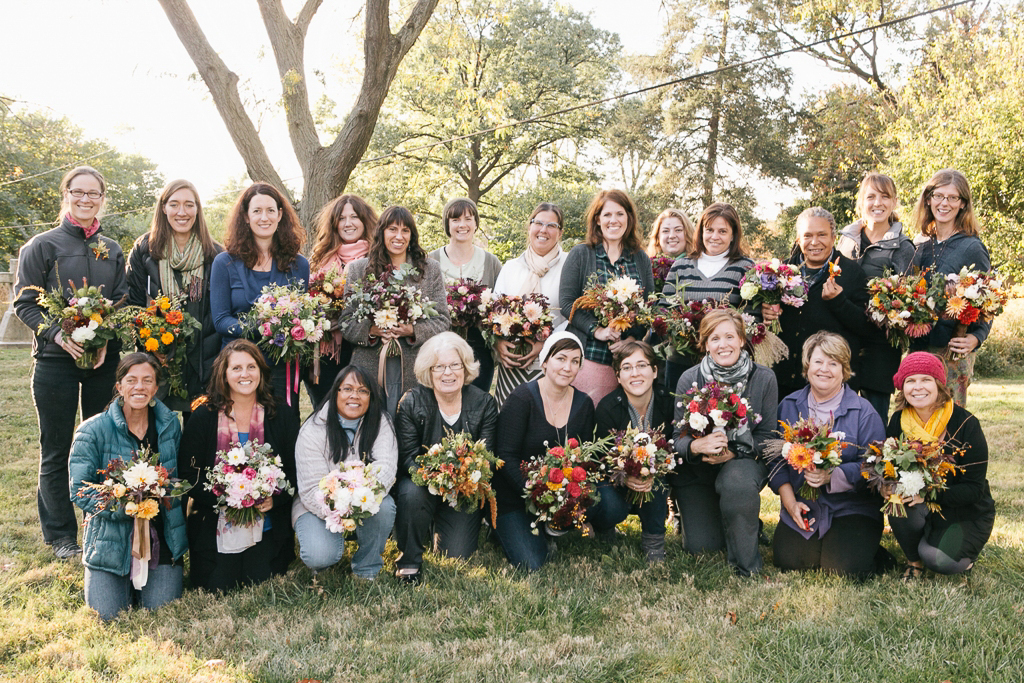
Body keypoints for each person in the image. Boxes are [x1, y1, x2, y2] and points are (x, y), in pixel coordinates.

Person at [13, 166, 127, 559]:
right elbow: (25, 303)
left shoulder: (111, 249)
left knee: (102, 443)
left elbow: (122, 299)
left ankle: (100, 519)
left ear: (102, 198)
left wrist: (103, 338)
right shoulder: (41, 246)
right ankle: (61, 536)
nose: (86, 199)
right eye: (78, 192)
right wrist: (58, 335)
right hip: (55, 362)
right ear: (66, 195)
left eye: (94, 194)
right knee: (57, 448)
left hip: (101, 362)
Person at [69, 353, 186, 620]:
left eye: (148, 380)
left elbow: (177, 479)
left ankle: (156, 576)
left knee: (161, 610)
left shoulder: (170, 426)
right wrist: (126, 504)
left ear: (156, 388)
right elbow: (80, 489)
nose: (139, 387)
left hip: (160, 535)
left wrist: (161, 492)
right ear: (119, 386)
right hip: (111, 540)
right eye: (131, 380)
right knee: (107, 615)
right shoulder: (92, 430)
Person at [179, 340, 299, 591]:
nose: (245, 374)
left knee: (260, 579)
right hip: (216, 523)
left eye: (251, 367)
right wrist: (226, 498)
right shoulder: (204, 416)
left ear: (261, 371)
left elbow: (295, 472)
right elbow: (188, 476)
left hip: (265, 523)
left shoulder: (281, 414)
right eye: (236, 368)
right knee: (218, 584)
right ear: (223, 374)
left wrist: (274, 500)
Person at [768, 332, 886, 578]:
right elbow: (774, 459)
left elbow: (876, 466)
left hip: (852, 507)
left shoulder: (863, 412)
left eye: (834, 363)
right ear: (807, 365)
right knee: (790, 561)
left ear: (844, 370)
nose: (825, 369)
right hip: (805, 503)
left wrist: (833, 475)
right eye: (818, 361)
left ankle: (868, 549)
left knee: (843, 569)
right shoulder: (788, 405)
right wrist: (790, 503)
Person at [672, 309, 778, 576]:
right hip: (699, 470)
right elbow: (677, 439)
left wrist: (732, 452)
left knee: (737, 483)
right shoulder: (690, 378)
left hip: (742, 464)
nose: (723, 345)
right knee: (702, 545)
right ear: (705, 344)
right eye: (715, 338)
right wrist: (697, 446)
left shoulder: (764, 378)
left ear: (742, 339)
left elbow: (766, 438)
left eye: (730, 336)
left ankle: (746, 565)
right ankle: (725, 519)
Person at [393, 332, 499, 584]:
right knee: (410, 492)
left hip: (463, 489)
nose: (447, 373)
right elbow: (407, 458)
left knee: (457, 553)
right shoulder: (411, 402)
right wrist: (436, 478)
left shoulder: (484, 403)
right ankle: (409, 560)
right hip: (421, 484)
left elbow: (486, 458)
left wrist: (459, 480)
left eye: (455, 365)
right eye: (439, 366)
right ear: (428, 371)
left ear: (466, 367)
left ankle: (436, 525)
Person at [492, 332, 595, 571]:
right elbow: (504, 456)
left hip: (559, 494)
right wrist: (534, 493)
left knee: (605, 501)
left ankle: (562, 524)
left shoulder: (584, 404)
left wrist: (570, 496)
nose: (567, 367)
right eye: (560, 358)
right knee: (532, 563)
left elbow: (586, 457)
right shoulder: (521, 399)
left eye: (575, 361)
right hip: (516, 495)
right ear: (545, 361)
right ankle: (500, 527)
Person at [887, 352, 994, 578]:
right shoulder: (899, 421)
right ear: (902, 387)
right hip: (921, 505)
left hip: (964, 510)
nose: (918, 387)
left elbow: (974, 490)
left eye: (925, 379)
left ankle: (952, 552)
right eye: (910, 381)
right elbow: (890, 468)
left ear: (939, 384)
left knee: (938, 559)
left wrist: (927, 494)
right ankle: (913, 562)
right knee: (898, 502)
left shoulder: (966, 423)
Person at [209, 182, 309, 418]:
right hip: (238, 367)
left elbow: (301, 316)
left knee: (280, 434)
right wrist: (265, 329)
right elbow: (221, 320)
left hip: (280, 368)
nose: (264, 217)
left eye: (270, 210)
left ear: (280, 215)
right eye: (257, 211)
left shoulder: (299, 265)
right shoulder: (224, 263)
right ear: (245, 216)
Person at [342, 206, 451, 417]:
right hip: (370, 363)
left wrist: (412, 330)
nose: (399, 236)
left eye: (405, 230)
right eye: (392, 229)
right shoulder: (359, 269)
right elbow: (347, 322)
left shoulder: (430, 270)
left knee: (410, 426)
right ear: (382, 232)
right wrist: (372, 329)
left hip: (415, 363)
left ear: (412, 235)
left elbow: (443, 320)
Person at [127, 179, 224, 414]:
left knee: (197, 433)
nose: (182, 212)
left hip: (203, 358)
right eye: (174, 204)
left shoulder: (216, 254)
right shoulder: (145, 249)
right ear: (163, 208)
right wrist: (150, 339)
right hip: (158, 357)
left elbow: (220, 308)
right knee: (157, 433)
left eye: (189, 205)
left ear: (198, 209)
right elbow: (132, 303)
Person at [292, 366, 397, 580]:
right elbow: (311, 489)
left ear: (371, 397)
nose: (354, 396)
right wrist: (341, 509)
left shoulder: (381, 422)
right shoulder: (313, 429)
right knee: (320, 555)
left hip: (365, 499)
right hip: (318, 506)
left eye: (363, 391)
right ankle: (325, 557)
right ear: (335, 392)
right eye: (347, 388)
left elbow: (386, 468)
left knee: (385, 506)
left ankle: (367, 569)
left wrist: (359, 500)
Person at [764, 206, 872, 400]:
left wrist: (839, 302)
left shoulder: (852, 273)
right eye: (807, 236)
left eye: (822, 235)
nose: (814, 242)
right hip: (785, 384)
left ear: (833, 238)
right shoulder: (779, 273)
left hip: (830, 386)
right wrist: (766, 311)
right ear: (798, 239)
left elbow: (867, 327)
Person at [559, 189, 654, 404]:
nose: (614, 220)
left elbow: (648, 309)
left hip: (627, 364)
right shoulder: (581, 254)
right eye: (607, 215)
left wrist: (631, 339)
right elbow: (567, 303)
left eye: (620, 214)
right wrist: (598, 330)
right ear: (597, 219)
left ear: (629, 218)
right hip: (588, 357)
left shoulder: (640, 259)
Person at [836, 172, 915, 421]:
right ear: (861, 202)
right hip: (844, 340)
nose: (877, 203)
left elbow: (909, 299)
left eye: (884, 196)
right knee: (840, 414)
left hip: (880, 346)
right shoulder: (845, 241)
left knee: (874, 419)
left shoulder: (903, 247)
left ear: (894, 202)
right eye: (871, 196)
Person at [910, 169, 992, 405]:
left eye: (953, 197)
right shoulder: (920, 246)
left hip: (952, 355)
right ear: (928, 199)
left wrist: (977, 337)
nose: (944, 203)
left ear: (963, 204)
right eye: (938, 195)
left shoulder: (972, 247)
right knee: (915, 423)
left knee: (948, 424)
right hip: (919, 350)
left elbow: (989, 301)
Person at [590, 340, 674, 563]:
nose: (635, 373)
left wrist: (651, 471)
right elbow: (600, 457)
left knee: (656, 478)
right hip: (615, 480)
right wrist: (626, 476)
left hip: (656, 479)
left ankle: (654, 542)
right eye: (626, 368)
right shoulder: (608, 407)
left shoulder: (668, 401)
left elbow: (676, 445)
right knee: (608, 503)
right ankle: (604, 527)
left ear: (655, 371)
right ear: (618, 377)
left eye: (642, 365)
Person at [660, 202, 754, 391]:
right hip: (681, 362)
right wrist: (683, 332)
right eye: (709, 230)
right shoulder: (682, 266)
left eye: (722, 231)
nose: (714, 237)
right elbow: (662, 309)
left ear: (733, 234)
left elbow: (753, 318)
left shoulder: (745, 268)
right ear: (700, 231)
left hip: (726, 367)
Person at [305, 194, 379, 407]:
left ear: (365, 221)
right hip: (328, 352)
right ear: (334, 224)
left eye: (354, 217)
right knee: (327, 409)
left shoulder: (379, 258)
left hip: (365, 349)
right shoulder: (321, 258)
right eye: (341, 218)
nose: (348, 223)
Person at [491, 203, 568, 405]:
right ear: (530, 226)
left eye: (551, 225)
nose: (543, 230)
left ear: (560, 232)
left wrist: (546, 344)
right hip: (513, 364)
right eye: (538, 223)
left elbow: (573, 316)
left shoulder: (570, 266)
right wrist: (498, 343)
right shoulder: (511, 267)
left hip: (553, 365)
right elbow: (494, 312)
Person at [429, 198, 503, 393]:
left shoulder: (491, 262)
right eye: (455, 219)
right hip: (440, 346)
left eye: (468, 219)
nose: (462, 225)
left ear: (476, 223)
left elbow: (500, 307)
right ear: (447, 224)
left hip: (479, 348)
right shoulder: (431, 261)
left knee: (476, 404)